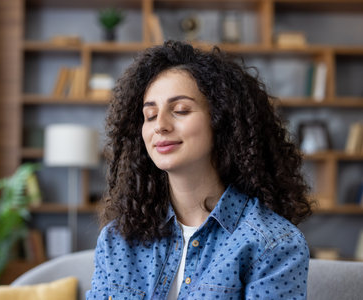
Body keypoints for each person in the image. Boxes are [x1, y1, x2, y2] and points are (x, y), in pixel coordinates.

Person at [87, 40, 312, 299]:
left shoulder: (274, 243)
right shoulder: (117, 240)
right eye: (149, 115)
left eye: (180, 110)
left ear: (221, 121)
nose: (160, 125)